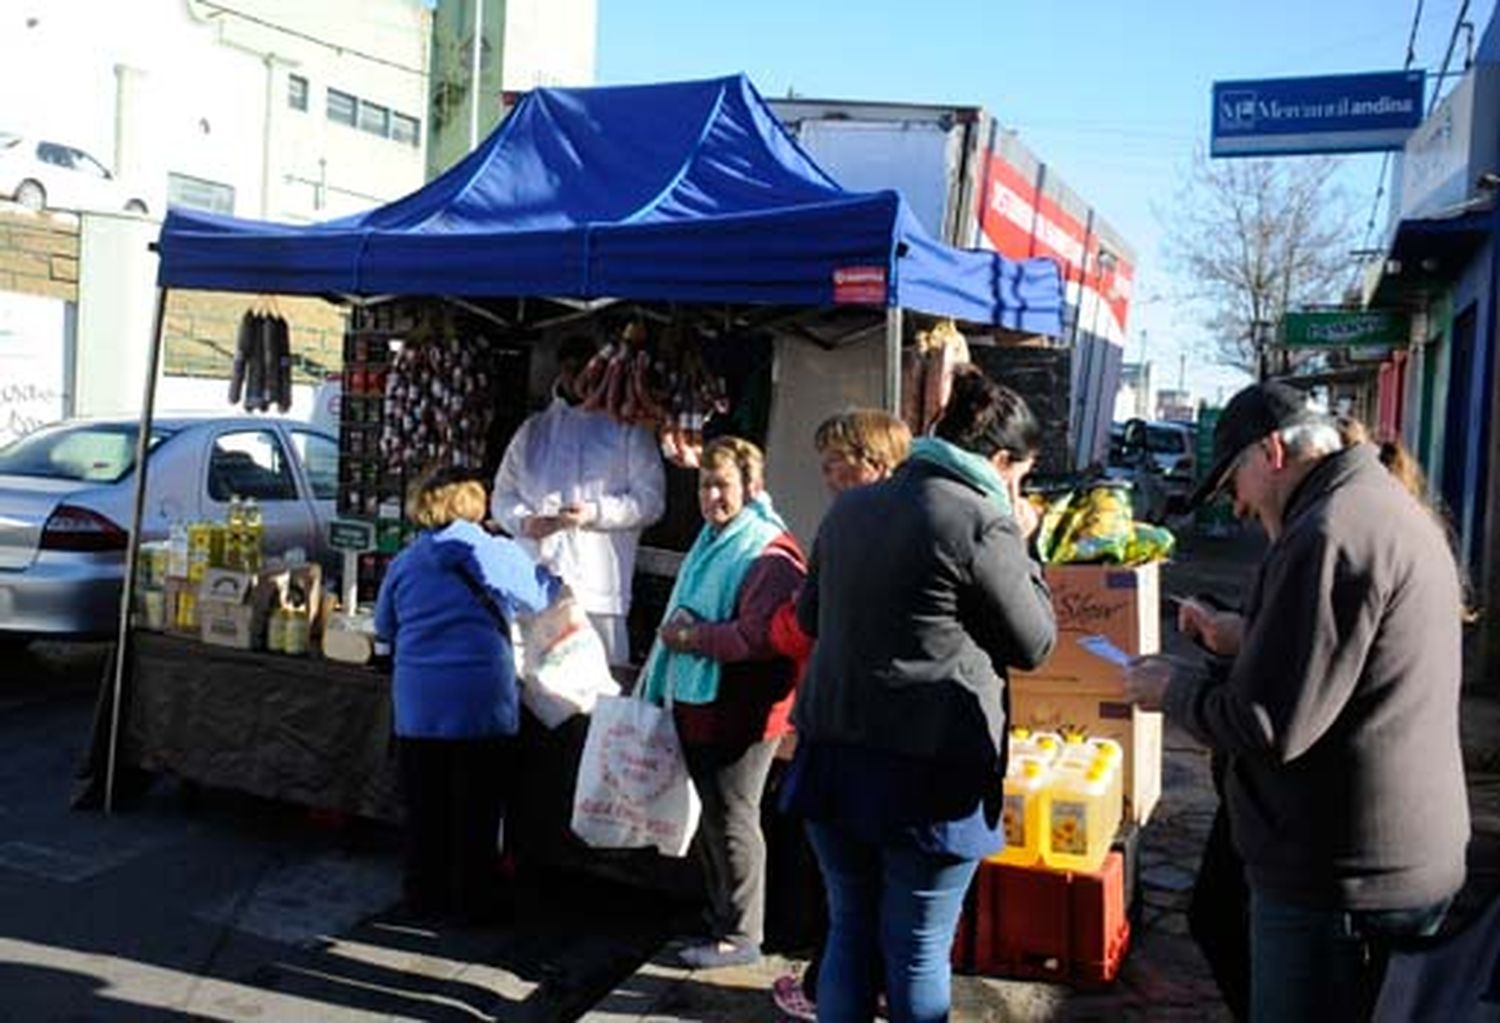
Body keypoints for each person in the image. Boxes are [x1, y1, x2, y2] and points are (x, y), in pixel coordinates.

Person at [1124, 381, 1469, 1023]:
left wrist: (1172, 688)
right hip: (1379, 858)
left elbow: (1268, 722)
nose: (1239, 504)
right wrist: (1244, 638)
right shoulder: (1372, 506)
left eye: (1236, 481)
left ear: (1273, 452)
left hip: (1341, 876)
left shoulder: (1329, 531)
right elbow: (1346, 661)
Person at [785, 367, 1056, 1022]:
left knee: (850, 928)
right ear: (999, 460)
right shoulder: (980, 519)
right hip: (928, 772)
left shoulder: (851, 506)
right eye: (1019, 474)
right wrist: (1024, 542)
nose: (1016, 489)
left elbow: (810, 617)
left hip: (834, 752)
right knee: (915, 947)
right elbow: (1034, 642)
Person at [638, 435, 806, 969]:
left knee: (734, 817)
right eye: (705, 485)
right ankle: (721, 918)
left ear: (751, 487)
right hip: (703, 702)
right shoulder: (714, 537)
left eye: (723, 485)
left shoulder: (764, 551)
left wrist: (690, 639)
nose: (712, 496)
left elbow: (758, 638)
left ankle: (742, 934)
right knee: (715, 817)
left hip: (741, 710)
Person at [767, 409, 912, 1023]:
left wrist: (782, 620)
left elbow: (805, 627)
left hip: (849, 731)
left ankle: (833, 992)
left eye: (836, 463)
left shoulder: (853, 529)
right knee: (880, 898)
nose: (826, 475)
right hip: (888, 734)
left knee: (851, 896)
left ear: (873, 464)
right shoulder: (915, 523)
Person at [374, 467, 561, 923]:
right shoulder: (496, 552)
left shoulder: (405, 562)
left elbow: (384, 628)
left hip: (420, 704)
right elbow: (541, 597)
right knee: (479, 809)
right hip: (481, 701)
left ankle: (423, 897)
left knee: (425, 808)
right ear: (474, 504)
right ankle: (475, 902)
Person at [491, 334, 666, 666]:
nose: (577, 378)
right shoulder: (533, 430)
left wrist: (596, 513)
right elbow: (502, 496)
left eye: (584, 369)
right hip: (534, 582)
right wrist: (523, 520)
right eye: (569, 369)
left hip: (597, 588)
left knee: (599, 695)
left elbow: (651, 500)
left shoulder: (627, 428)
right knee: (531, 690)